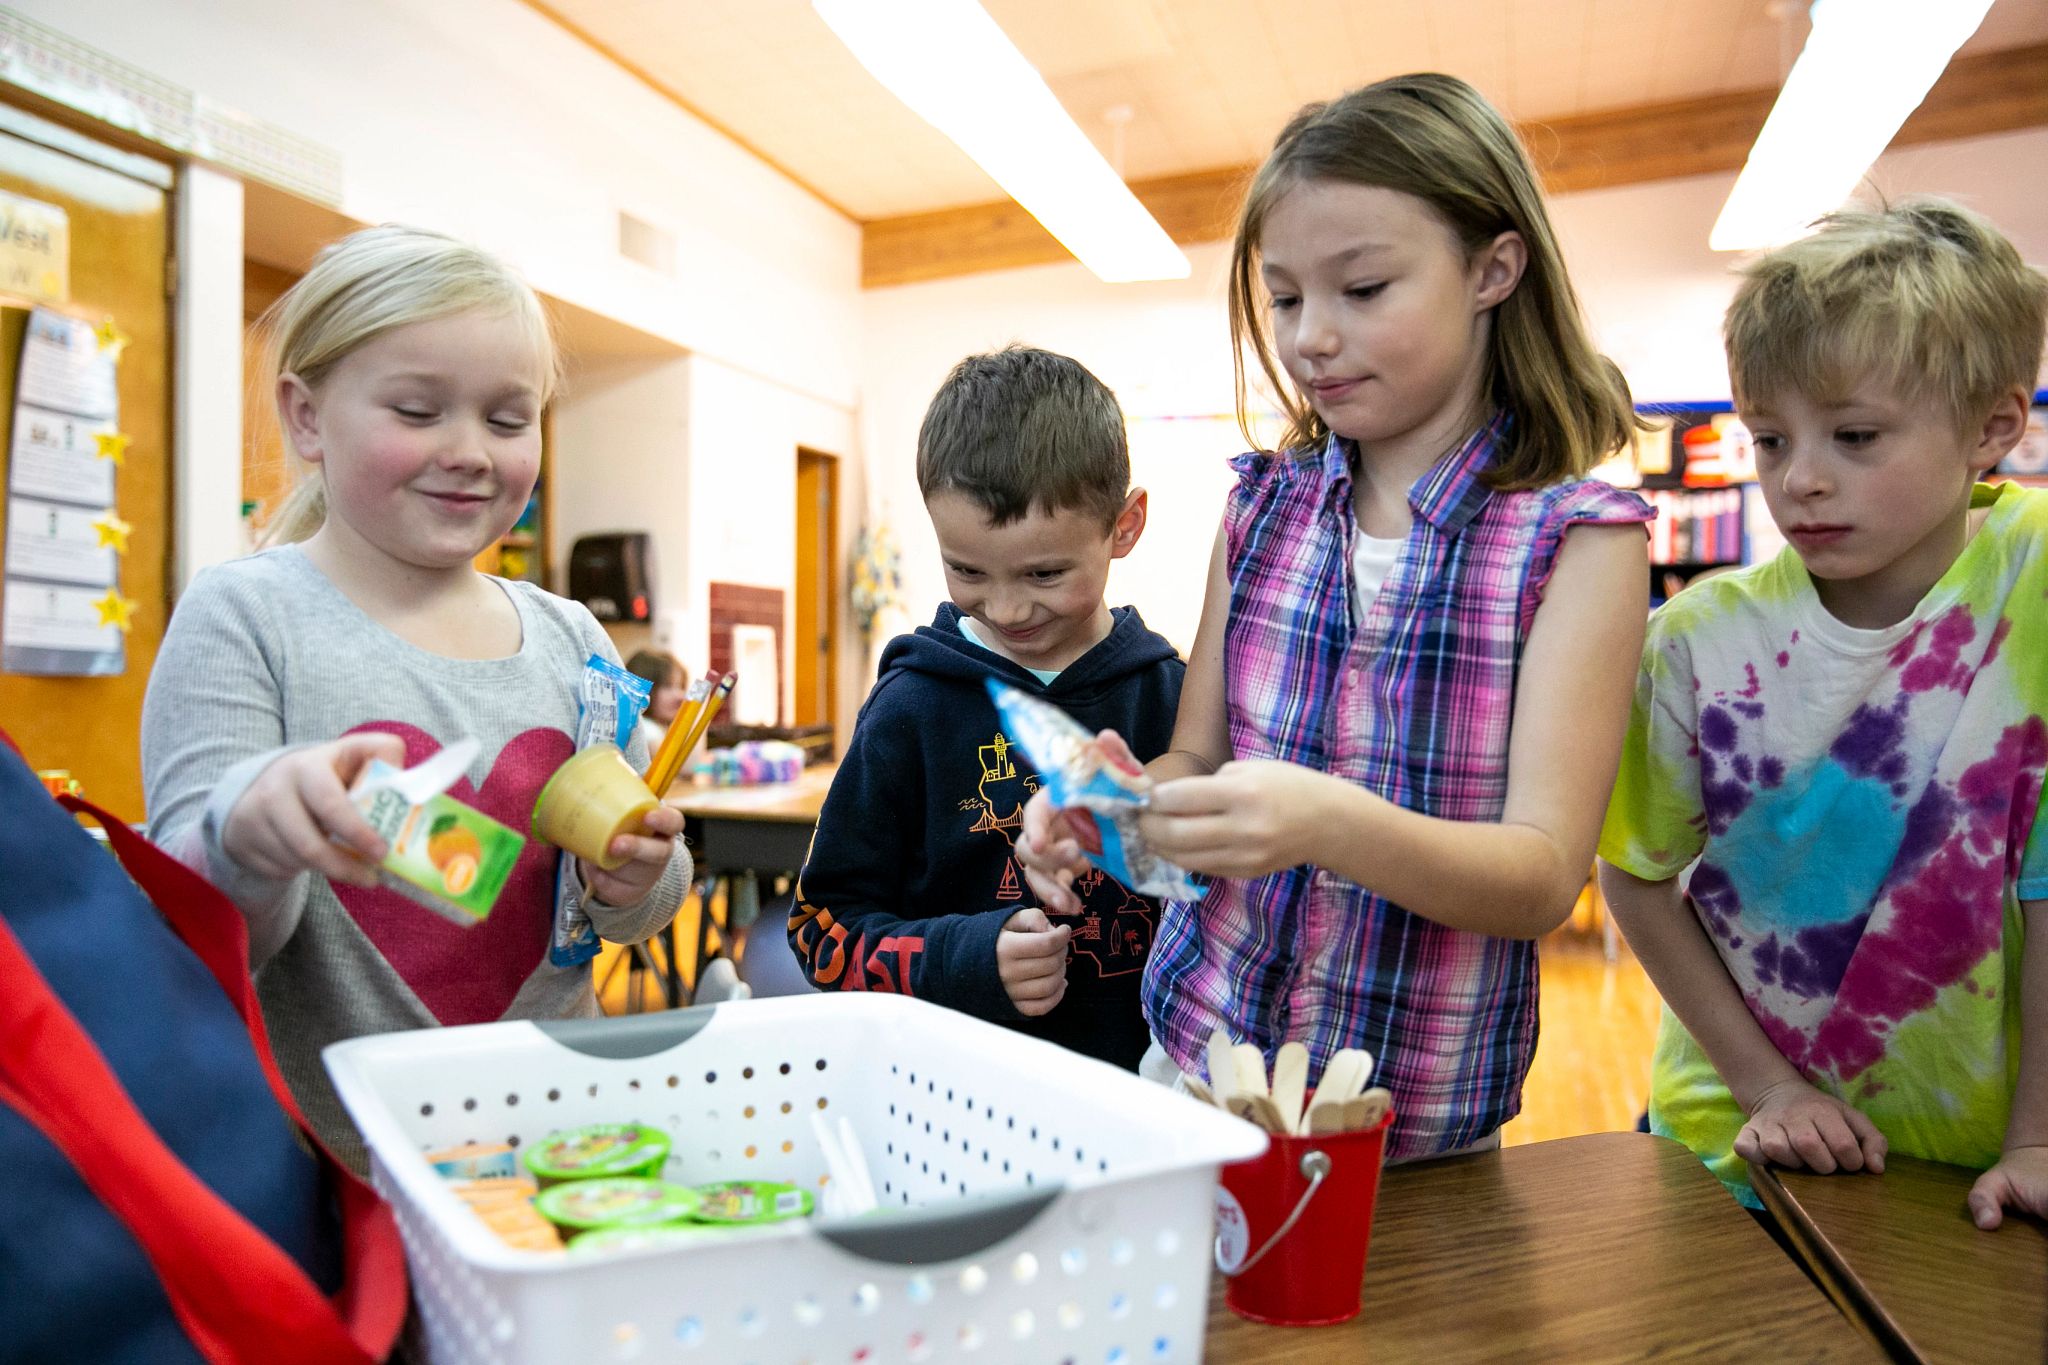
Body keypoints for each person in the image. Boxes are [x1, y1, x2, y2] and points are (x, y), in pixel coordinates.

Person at [1020, 74, 1653, 1160]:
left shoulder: (1579, 545)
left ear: (1492, 270)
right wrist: (1110, 809)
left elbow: (1543, 876)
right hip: (1196, 1068)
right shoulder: (1259, 509)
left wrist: (1323, 824)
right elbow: (1200, 758)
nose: (1311, 337)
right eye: (1282, 297)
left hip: (1407, 1122)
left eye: (1361, 289)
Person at [142, 225, 691, 1170]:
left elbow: (630, 906)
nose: (471, 451)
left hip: (559, 1135)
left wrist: (638, 877)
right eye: (417, 410)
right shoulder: (246, 616)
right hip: (327, 1166)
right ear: (307, 418)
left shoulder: (573, 642)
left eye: (508, 421)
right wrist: (251, 831)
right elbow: (200, 934)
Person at [1598, 199, 2048, 1227]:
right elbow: (1633, 876)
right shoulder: (1696, 645)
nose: (1797, 479)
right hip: (1740, 1140)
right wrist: (1766, 1087)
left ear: (1991, 427)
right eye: (1766, 438)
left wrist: (2034, 1136)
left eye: (1853, 436)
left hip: (1977, 1157)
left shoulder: (2030, 579)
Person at [788, 347, 1183, 1070]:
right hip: (943, 1099)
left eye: (1044, 572)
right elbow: (821, 929)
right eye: (967, 569)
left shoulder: (1171, 697)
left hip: (1138, 1104)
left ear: (1124, 527)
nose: (1005, 607)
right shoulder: (910, 706)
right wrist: (964, 958)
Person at [625, 648, 688, 746]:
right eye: (667, 686)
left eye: (681, 686)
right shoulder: (649, 733)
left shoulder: (657, 729)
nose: (680, 696)